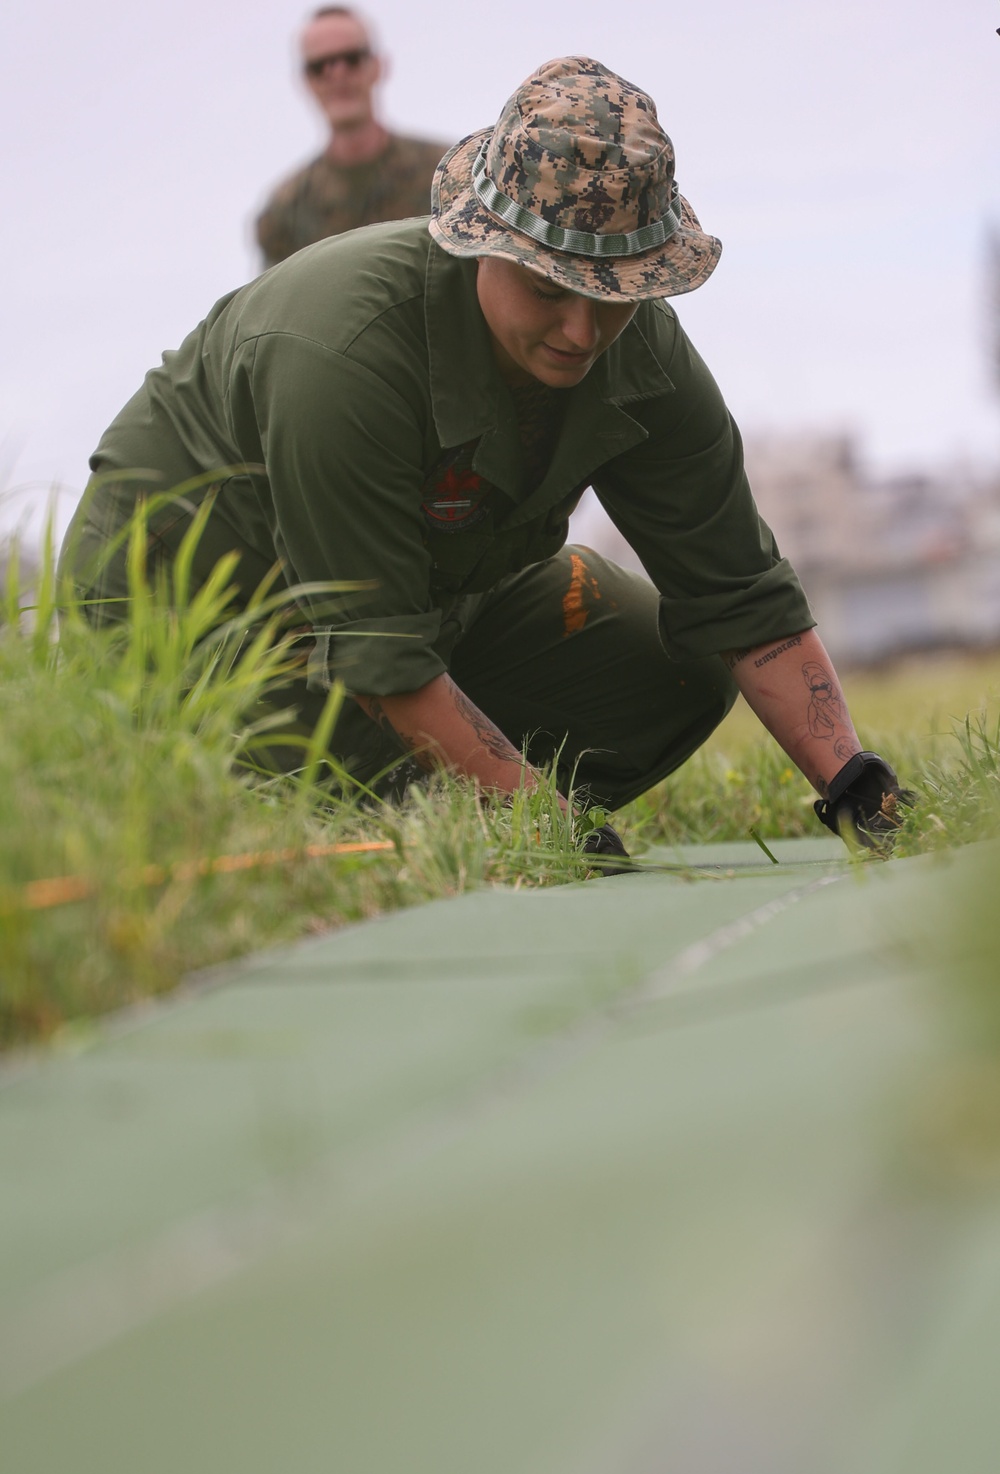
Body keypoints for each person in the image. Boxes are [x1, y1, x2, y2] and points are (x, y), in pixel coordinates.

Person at [63, 56, 907, 855]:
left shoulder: (636, 347)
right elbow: (378, 652)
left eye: (611, 294)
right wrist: (543, 826)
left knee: (667, 667)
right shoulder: (343, 352)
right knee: (286, 790)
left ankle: (437, 798)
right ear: (484, 244)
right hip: (201, 625)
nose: (581, 332)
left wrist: (853, 781)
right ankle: (400, 814)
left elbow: (740, 596)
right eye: (549, 288)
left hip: (422, 605)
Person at [255, 5, 448, 267]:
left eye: (351, 59)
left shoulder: (446, 173)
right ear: (306, 81)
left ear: (378, 66)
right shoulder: (285, 212)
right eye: (319, 66)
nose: (337, 74)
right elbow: (279, 304)